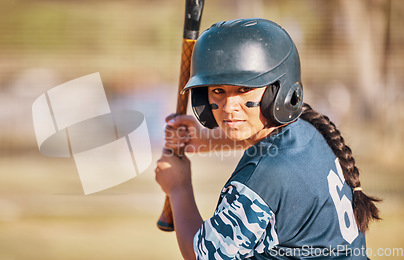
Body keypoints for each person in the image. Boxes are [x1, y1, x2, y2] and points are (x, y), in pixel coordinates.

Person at [155, 18, 380, 260]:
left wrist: (178, 187)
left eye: (244, 89)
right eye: (218, 90)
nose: (229, 106)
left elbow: (201, 255)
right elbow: (268, 140)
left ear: (277, 90)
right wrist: (209, 141)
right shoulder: (309, 129)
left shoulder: (263, 177)